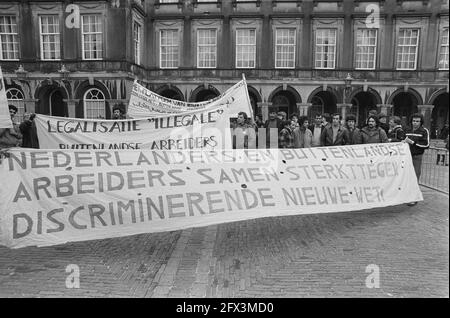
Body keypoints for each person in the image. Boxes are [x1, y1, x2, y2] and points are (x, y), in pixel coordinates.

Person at [404, 113, 430, 206]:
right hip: (406, 157)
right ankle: (406, 195)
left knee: (415, 176)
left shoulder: (424, 131)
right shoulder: (407, 129)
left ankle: (414, 198)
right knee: (406, 176)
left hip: (417, 157)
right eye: (414, 121)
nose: (415, 123)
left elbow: (426, 145)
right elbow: (403, 139)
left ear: (421, 122)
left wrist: (412, 142)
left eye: (417, 121)